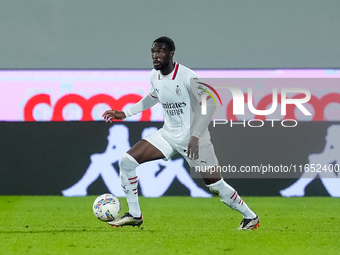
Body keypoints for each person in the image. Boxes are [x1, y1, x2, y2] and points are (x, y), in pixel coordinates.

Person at [102, 36, 259, 230]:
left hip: (196, 139)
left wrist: (195, 136)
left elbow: (210, 103)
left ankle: (250, 217)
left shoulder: (187, 76)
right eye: (153, 52)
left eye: (160, 52)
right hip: (168, 135)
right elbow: (152, 97)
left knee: (215, 185)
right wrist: (125, 113)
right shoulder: (154, 75)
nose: (155, 56)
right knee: (127, 161)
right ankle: (135, 214)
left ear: (171, 54)